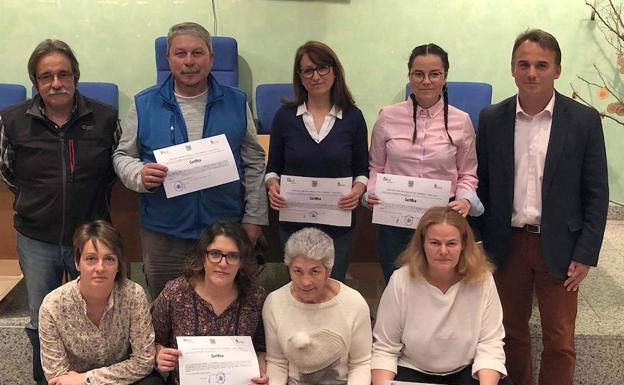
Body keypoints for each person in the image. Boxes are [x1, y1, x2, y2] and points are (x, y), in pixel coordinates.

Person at [475, 29, 609, 385]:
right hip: (508, 244)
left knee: (560, 338)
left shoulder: (583, 121)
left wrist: (586, 252)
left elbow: (596, 193)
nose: (531, 72)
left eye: (541, 64)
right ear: (513, 69)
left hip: (563, 247)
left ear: (557, 70)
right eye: (524, 64)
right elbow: (483, 184)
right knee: (510, 333)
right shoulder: (491, 118)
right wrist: (482, 242)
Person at [113, 22, 268, 299]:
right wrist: (139, 174)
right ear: (168, 58)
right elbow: (122, 155)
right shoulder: (144, 103)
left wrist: (254, 217)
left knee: (222, 308)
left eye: (197, 53)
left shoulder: (236, 101)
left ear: (211, 57)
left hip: (222, 229)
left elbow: (254, 162)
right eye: (180, 53)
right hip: (164, 231)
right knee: (164, 310)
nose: (189, 62)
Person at [0, 39, 119, 385]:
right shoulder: (12, 120)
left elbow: (114, 171)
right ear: (35, 82)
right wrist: (37, 201)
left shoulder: (105, 118)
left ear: (76, 77)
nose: (56, 83)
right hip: (37, 238)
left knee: (101, 316)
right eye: (46, 76)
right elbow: (7, 171)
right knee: (42, 319)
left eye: (63, 74)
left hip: (93, 240)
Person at [367, 43, 483, 282]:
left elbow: (468, 174)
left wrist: (465, 199)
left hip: (443, 224)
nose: (426, 81)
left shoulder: (462, 121)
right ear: (409, 75)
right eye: (418, 74)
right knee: (398, 284)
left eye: (434, 74)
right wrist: (371, 191)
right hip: (394, 221)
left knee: (438, 287)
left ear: (445, 77)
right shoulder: (387, 117)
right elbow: (376, 168)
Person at [264, 41, 369, 282]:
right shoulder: (285, 117)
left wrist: (357, 190)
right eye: (308, 70)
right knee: (299, 286)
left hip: (339, 223)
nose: (316, 76)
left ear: (334, 71)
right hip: (294, 222)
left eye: (322, 68)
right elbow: (272, 170)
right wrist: (273, 186)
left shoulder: (353, 117)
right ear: (300, 77)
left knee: (333, 284)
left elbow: (362, 170)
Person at [371, 206, 509, 385]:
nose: (443, 251)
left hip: (467, 371)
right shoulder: (400, 280)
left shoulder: (483, 280)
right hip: (412, 370)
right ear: (422, 244)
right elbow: (385, 348)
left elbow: (490, 344)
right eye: (435, 243)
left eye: (451, 243)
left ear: (463, 245)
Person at [38, 220, 161, 385]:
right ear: (77, 262)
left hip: (119, 380)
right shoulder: (52, 305)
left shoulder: (133, 295)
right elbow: (57, 375)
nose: (100, 267)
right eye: (91, 259)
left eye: (109, 259)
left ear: (118, 265)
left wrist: (88, 379)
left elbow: (144, 361)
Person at [151, 219, 267, 385]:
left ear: (242, 262)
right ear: (202, 256)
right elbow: (151, 341)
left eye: (233, 256)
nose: (223, 263)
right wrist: (159, 353)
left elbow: (262, 347)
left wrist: (262, 368)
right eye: (215, 254)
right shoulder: (176, 293)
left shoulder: (254, 296)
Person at [263, 227, 372, 385]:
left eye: (315, 271)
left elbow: (360, 364)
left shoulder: (354, 302)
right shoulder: (275, 302)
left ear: (328, 270)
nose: (305, 282)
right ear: (289, 269)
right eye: (298, 271)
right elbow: (277, 363)